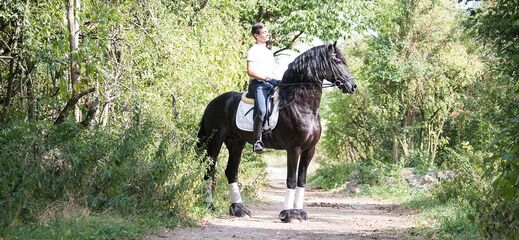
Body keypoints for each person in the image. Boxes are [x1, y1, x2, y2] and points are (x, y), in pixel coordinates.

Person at [246, 23, 280, 154]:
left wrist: (278, 80)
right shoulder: (253, 50)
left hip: (271, 84)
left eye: (267, 32)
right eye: (264, 32)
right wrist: (266, 78)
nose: (267, 34)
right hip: (258, 85)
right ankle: (257, 141)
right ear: (256, 35)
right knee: (261, 110)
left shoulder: (269, 53)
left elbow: (272, 71)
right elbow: (250, 71)